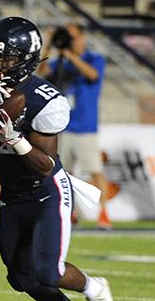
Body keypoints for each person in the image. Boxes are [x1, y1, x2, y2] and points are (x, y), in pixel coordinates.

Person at [0, 16, 118, 301]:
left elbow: (46, 166)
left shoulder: (45, 99)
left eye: (8, 59)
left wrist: (15, 139)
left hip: (46, 191)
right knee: (20, 277)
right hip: (13, 193)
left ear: (27, 61)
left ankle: (94, 287)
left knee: (48, 272)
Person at [38, 23, 110, 229]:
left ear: (82, 37)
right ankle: (71, 213)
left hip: (85, 127)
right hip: (64, 126)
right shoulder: (62, 62)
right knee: (63, 173)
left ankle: (104, 213)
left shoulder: (93, 59)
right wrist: (49, 47)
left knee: (95, 171)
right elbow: (41, 73)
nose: (70, 40)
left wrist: (69, 54)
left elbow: (92, 75)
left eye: (73, 36)